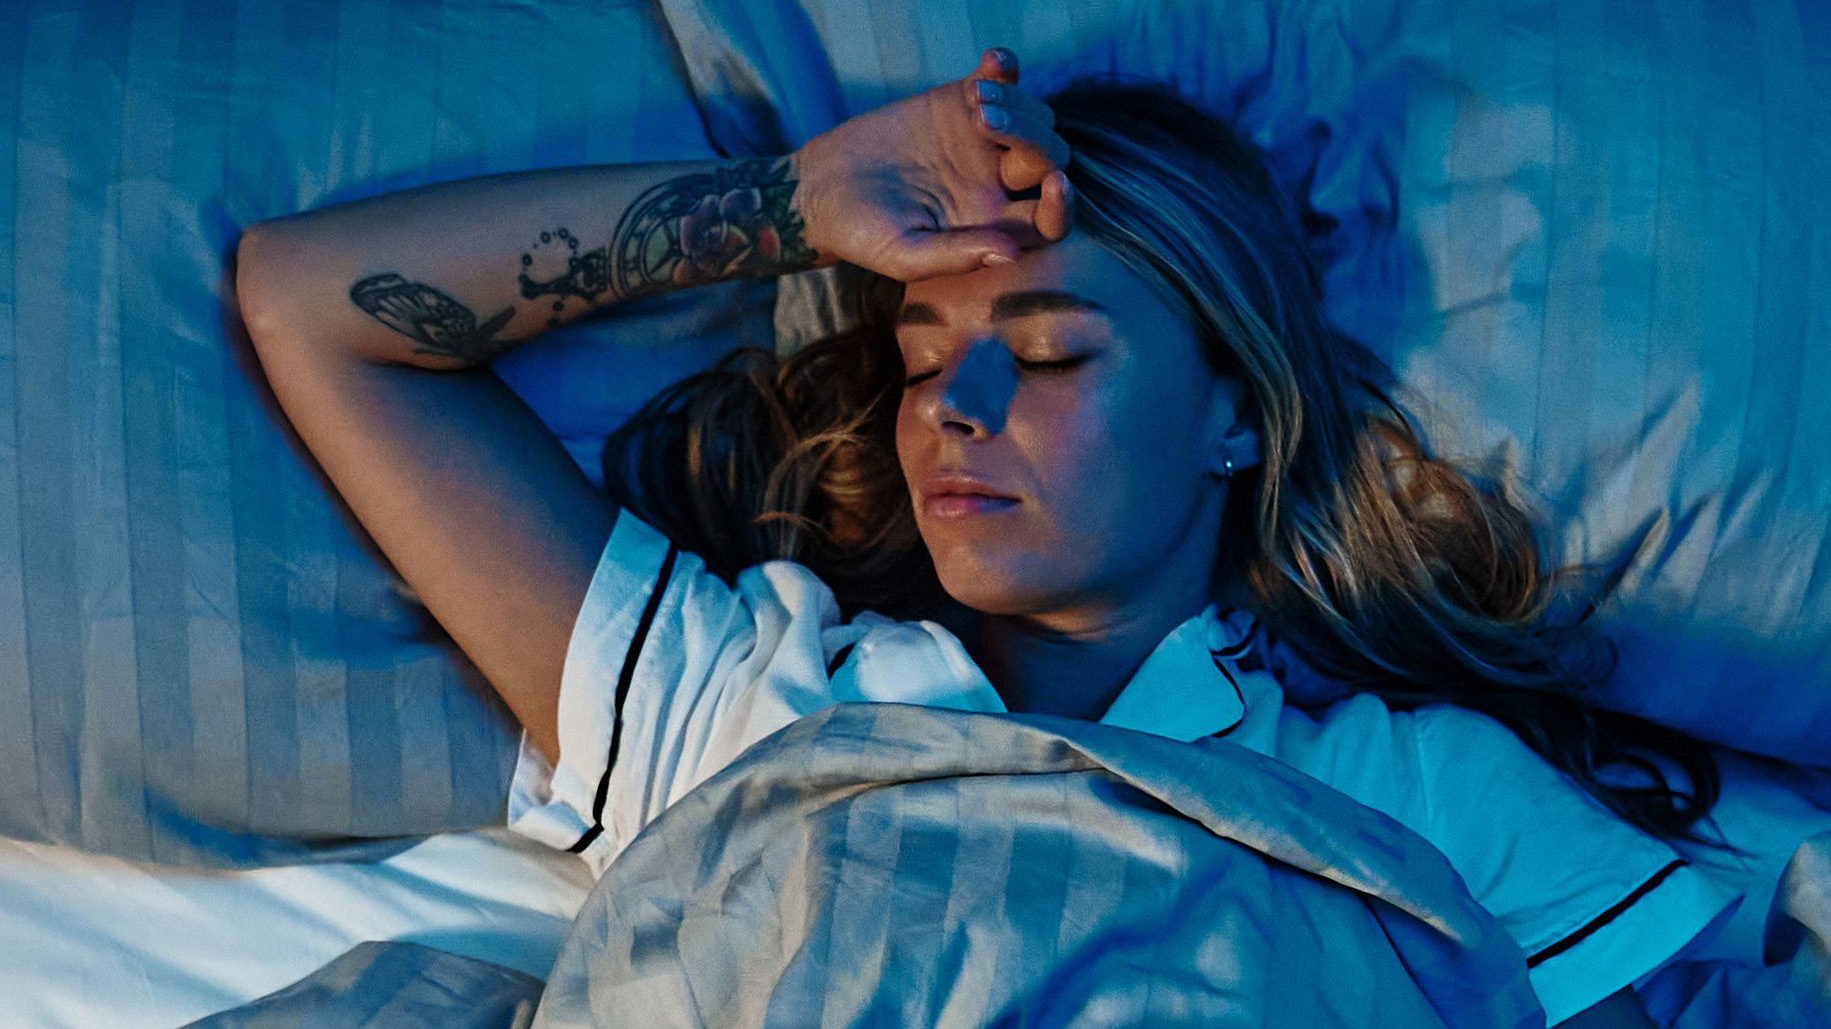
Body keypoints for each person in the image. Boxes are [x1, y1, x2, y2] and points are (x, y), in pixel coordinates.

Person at [235, 47, 1734, 1028]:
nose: (958, 404)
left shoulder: (1416, 795)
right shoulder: (749, 701)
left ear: (1236, 415)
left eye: (1058, 352)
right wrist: (801, 204)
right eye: (922, 353)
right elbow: (317, 306)